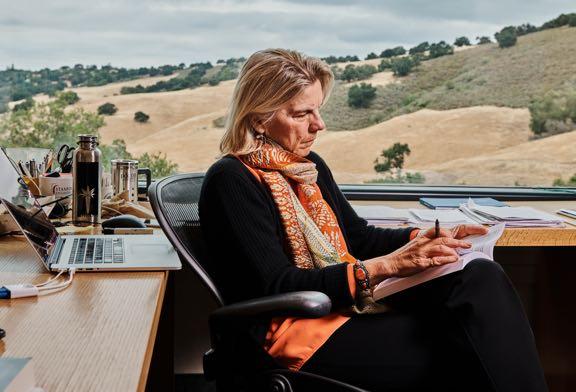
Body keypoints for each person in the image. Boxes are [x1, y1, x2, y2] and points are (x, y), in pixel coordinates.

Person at [199, 48, 548, 392]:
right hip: (298, 333)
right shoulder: (231, 179)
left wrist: (424, 238)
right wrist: (385, 267)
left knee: (479, 275)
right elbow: (279, 284)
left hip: (344, 310)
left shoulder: (306, 166)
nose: (318, 125)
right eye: (302, 113)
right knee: (473, 345)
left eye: (317, 110)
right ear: (259, 117)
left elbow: (358, 237)